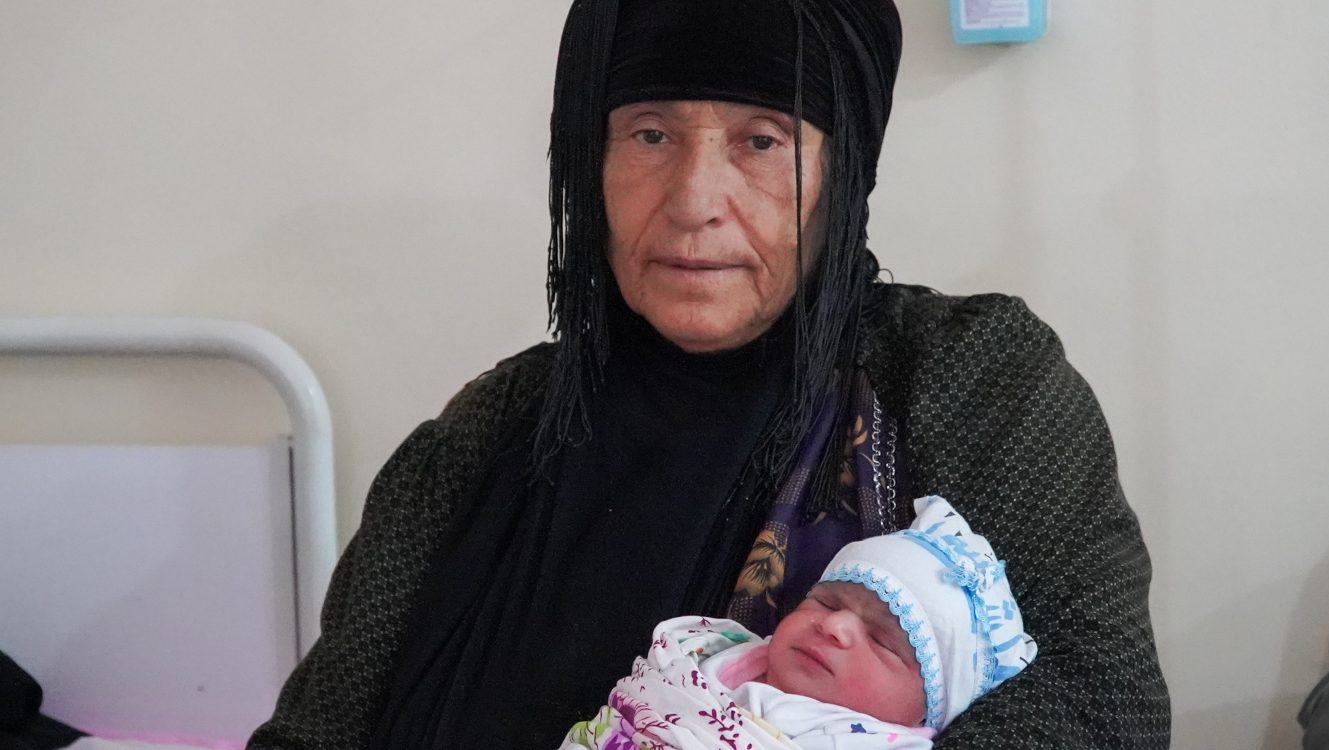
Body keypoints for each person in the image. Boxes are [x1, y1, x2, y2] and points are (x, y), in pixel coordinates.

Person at [248, 0, 1171, 747]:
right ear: (590, 165)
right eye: (649, 135)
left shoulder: (969, 381)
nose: (693, 204)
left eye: (761, 142)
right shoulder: (489, 431)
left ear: (842, 177)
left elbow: (1099, 711)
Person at [559, 496, 1038, 749]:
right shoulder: (703, 653)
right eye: (827, 603)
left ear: (925, 712)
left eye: (883, 640)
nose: (837, 628)